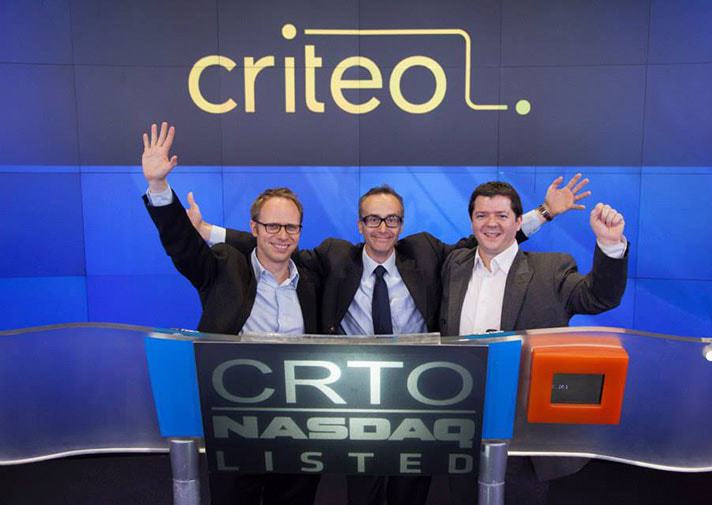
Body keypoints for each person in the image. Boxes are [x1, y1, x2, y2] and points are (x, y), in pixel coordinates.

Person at [189, 176, 591, 505]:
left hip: (418, 401)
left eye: (392, 219)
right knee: (361, 492)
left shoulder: (426, 253)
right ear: (359, 225)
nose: (383, 228)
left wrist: (544, 212)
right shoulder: (334, 257)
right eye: (373, 219)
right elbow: (275, 243)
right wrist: (208, 232)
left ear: (401, 224)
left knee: (410, 493)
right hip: (353, 400)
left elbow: (489, 239)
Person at [140, 122, 320, 505]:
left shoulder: (313, 277)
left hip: (302, 425)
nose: (282, 235)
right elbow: (183, 247)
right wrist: (158, 186)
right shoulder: (224, 267)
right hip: (235, 420)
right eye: (272, 226)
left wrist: (209, 228)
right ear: (253, 227)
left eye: (291, 227)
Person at [439, 180, 628, 505]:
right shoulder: (454, 265)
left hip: (524, 435)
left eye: (502, 215)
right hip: (462, 425)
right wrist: (546, 210)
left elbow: (600, 297)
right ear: (471, 221)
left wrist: (610, 245)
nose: (491, 223)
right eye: (482, 215)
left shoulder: (550, 270)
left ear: (518, 221)